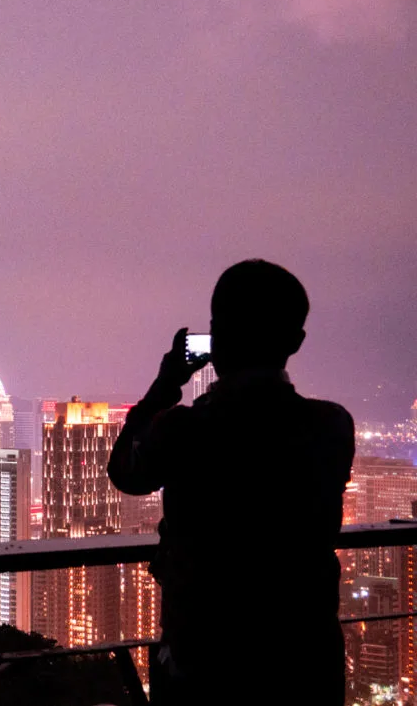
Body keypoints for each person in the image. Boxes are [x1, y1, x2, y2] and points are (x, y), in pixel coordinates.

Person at [108, 260, 354, 705]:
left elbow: (125, 472)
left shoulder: (185, 429)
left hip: (206, 662)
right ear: (296, 341)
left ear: (215, 338)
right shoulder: (332, 425)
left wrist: (164, 387)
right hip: (306, 658)